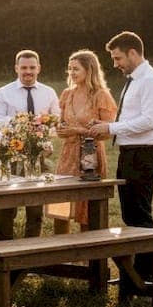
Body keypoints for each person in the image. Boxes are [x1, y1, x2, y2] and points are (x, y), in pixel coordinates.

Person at [89, 31, 153, 292]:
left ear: (133, 53)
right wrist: (111, 127)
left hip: (144, 153)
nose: (116, 63)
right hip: (130, 153)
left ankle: (150, 276)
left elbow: (151, 121)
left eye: (118, 58)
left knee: (139, 214)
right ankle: (136, 275)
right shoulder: (135, 79)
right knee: (131, 214)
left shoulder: (151, 81)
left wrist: (111, 128)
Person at [0, 50, 61, 238]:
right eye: (24, 68)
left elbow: (57, 121)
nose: (28, 72)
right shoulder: (4, 92)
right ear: (16, 68)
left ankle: (31, 252)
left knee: (35, 208)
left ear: (39, 68)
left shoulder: (49, 92)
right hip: (10, 155)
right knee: (5, 207)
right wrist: (22, 123)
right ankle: (1, 251)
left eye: (32, 67)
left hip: (38, 156)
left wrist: (45, 136)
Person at [51, 50, 116, 235]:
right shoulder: (67, 94)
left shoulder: (101, 95)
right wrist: (60, 129)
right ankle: (58, 254)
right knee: (60, 205)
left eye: (76, 69)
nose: (71, 73)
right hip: (67, 154)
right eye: (69, 69)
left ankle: (89, 258)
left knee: (87, 208)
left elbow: (108, 132)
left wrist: (79, 131)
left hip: (91, 155)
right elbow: (63, 123)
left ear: (89, 70)